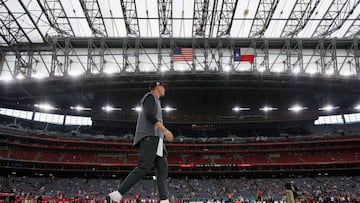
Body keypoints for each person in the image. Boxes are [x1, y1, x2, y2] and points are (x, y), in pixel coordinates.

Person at [108, 81, 174, 203]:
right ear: (156, 87)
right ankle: (116, 195)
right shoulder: (149, 97)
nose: (164, 89)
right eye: (162, 87)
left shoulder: (157, 101)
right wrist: (164, 130)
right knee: (143, 167)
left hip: (157, 139)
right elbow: (149, 114)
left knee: (162, 169)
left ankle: (164, 199)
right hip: (150, 136)